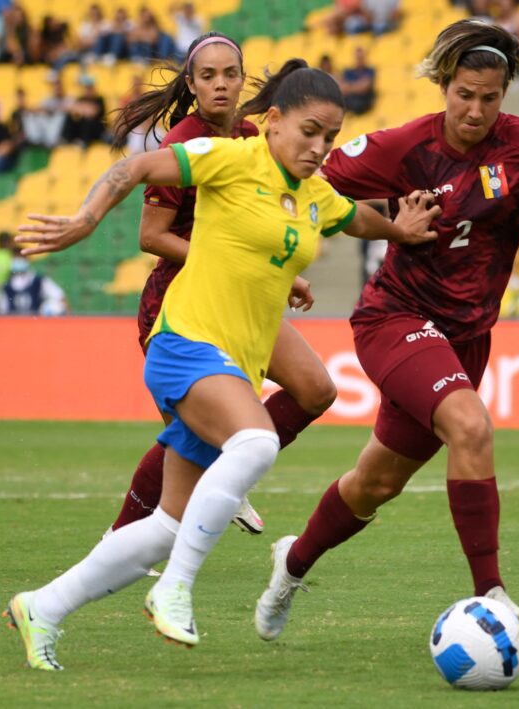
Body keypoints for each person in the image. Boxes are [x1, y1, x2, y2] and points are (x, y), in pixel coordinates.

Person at [252, 20, 519, 644]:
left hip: (466, 337)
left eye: (489, 97)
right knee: (472, 425)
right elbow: (308, 182)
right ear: (444, 86)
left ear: (504, 94)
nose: (475, 109)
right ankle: (492, 596)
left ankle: (291, 564)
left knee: (376, 483)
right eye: (464, 94)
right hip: (395, 317)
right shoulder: (403, 146)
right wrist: (296, 249)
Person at [3, 57, 440, 670]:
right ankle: (174, 588)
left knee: (165, 525)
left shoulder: (313, 193)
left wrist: (401, 229)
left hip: (235, 361)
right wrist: (84, 218)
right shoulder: (228, 158)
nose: (319, 148)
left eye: (330, 137)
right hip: (184, 344)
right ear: (274, 122)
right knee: (257, 441)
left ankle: (41, 607)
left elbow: (352, 216)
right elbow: (134, 167)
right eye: (309, 131)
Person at [101, 33, 345, 538]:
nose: (220, 84)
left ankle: (227, 461)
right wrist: (233, 261)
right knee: (190, 433)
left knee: (315, 390)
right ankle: (122, 534)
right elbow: (152, 236)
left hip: (242, 296)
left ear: (241, 78)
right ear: (191, 84)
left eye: (229, 74)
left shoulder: (254, 134)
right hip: (183, 298)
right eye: (207, 76)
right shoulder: (183, 142)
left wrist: (280, 270)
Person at [0, 248, 68, 315]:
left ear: (27, 259)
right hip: (14, 325)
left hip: (36, 324)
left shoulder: (39, 280)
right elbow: (2, 311)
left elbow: (60, 297)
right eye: (15, 258)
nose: (17, 261)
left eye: (20, 258)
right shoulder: (7, 285)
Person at [62, 74, 106, 146]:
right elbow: (69, 108)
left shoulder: (99, 99)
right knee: (70, 117)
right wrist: (84, 108)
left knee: (87, 120)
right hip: (82, 126)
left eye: (89, 87)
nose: (87, 90)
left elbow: (92, 112)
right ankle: (67, 139)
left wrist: (80, 108)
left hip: (97, 129)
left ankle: (84, 141)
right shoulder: (81, 98)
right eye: (86, 87)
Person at [341, 46, 377, 115]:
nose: (359, 60)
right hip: (350, 104)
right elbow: (342, 89)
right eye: (357, 58)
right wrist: (358, 86)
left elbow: (364, 87)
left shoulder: (370, 70)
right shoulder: (348, 72)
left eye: (361, 58)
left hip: (364, 104)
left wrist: (350, 87)